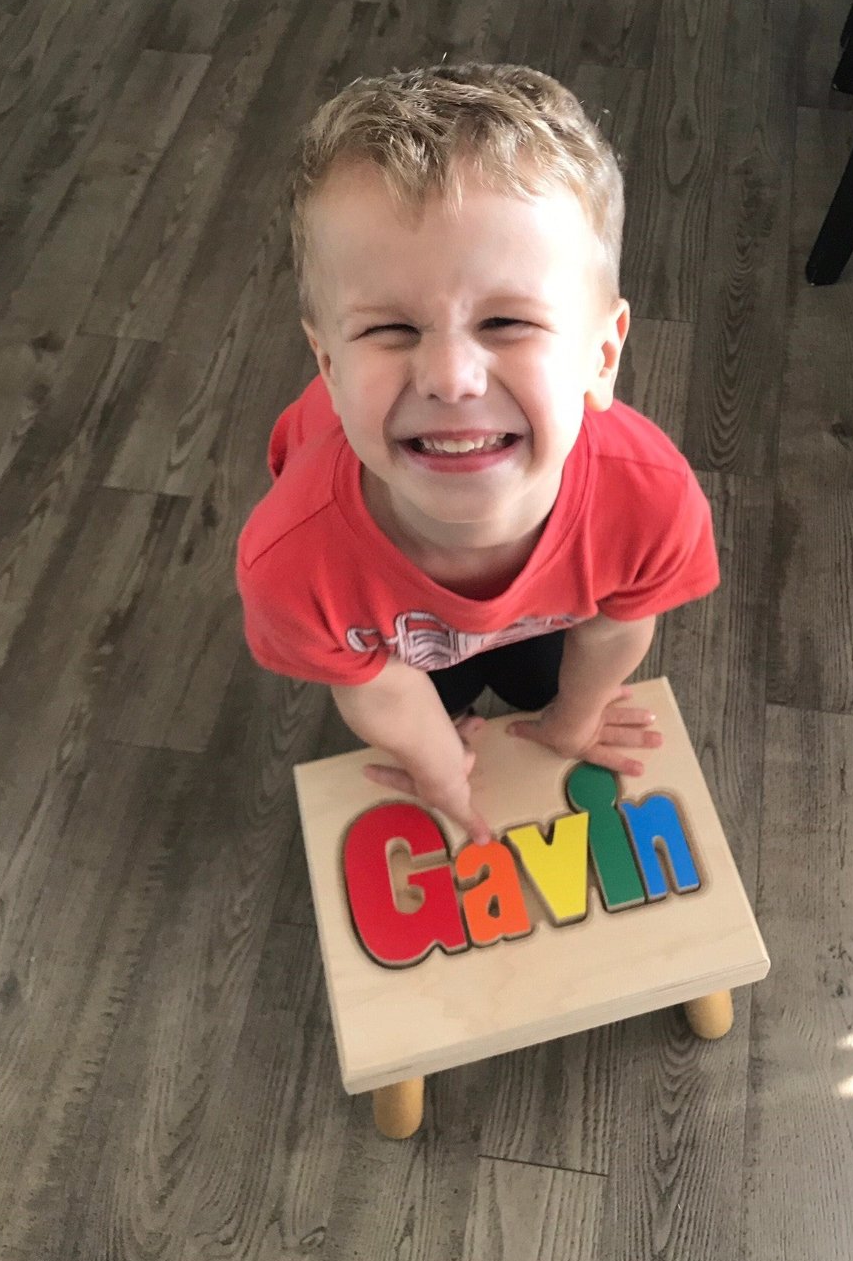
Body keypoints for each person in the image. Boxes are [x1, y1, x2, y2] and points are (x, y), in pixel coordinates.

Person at [235, 63, 719, 844]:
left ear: (602, 357)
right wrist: (434, 760)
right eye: (388, 329)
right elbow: (376, 681)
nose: (451, 379)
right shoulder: (290, 563)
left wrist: (573, 718)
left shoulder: (653, 502)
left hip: (548, 609)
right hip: (392, 636)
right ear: (327, 368)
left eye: (507, 323)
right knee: (440, 695)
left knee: (535, 676)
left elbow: (616, 628)